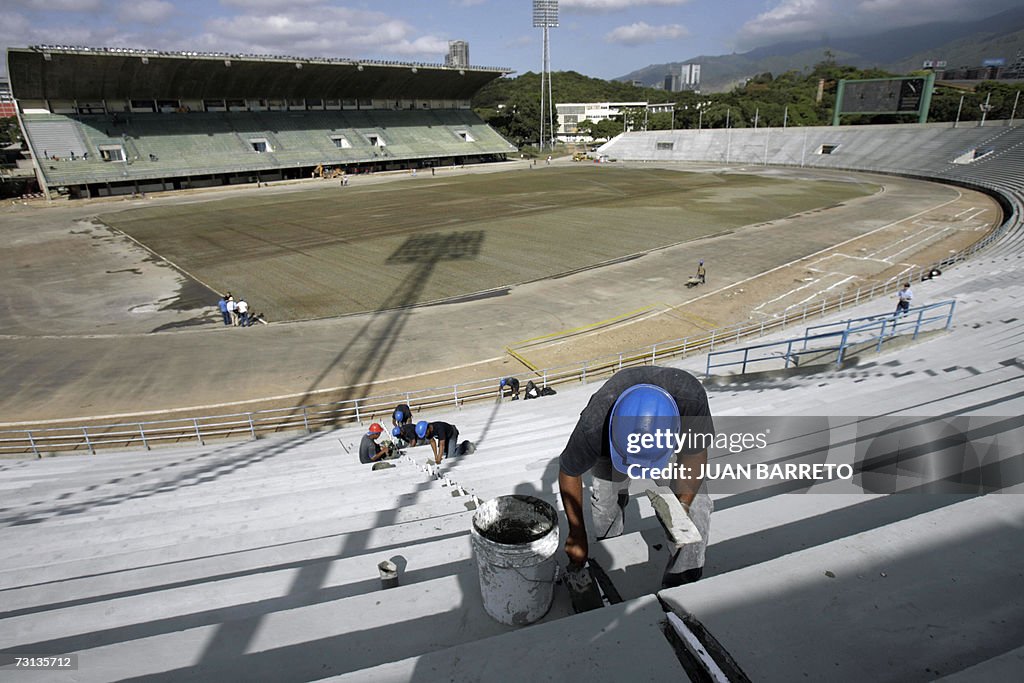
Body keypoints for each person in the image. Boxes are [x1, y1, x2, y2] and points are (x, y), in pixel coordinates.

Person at [557, 366, 714, 589]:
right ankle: (611, 555)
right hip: (614, 451)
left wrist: (683, 506)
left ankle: (682, 581)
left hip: (660, 447)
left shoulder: (690, 399)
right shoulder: (594, 425)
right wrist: (576, 533)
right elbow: (569, 471)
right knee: (605, 505)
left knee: (697, 507)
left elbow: (695, 455)